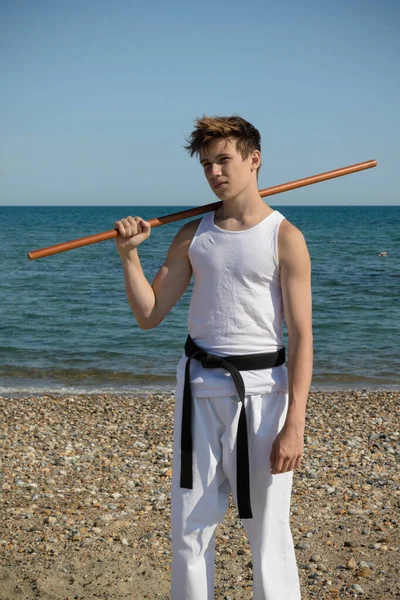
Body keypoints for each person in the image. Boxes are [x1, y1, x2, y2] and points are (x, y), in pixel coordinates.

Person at [114, 115, 313, 600]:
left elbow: (304, 337)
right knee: (189, 527)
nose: (215, 172)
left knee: (267, 532)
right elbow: (149, 314)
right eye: (207, 164)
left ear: (253, 159)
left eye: (224, 159)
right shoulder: (192, 235)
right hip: (198, 391)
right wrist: (129, 255)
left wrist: (296, 424)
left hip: (264, 396)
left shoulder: (284, 237)